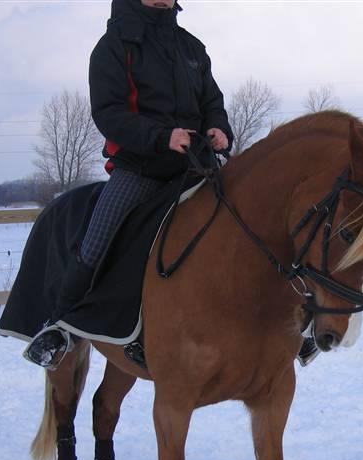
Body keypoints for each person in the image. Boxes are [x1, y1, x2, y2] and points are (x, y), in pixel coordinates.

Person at [23, 0, 233, 369]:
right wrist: (161, 137)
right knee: (99, 234)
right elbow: (109, 112)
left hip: (196, 166)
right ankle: (60, 326)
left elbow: (211, 100)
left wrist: (219, 127)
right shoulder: (114, 45)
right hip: (140, 166)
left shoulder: (191, 47)